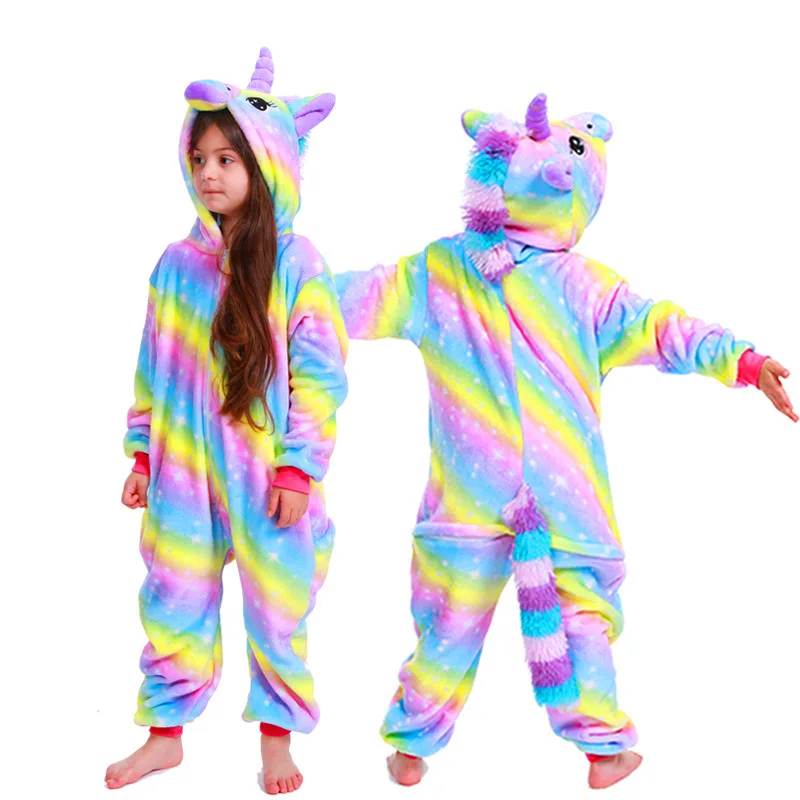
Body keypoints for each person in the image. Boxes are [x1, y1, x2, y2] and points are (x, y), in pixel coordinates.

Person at [334, 93, 795, 790]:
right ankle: (585, 747)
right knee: (537, 620)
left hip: (493, 496)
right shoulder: (477, 277)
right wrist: (744, 361)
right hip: (546, 498)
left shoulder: (497, 278)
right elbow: (665, 329)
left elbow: (343, 299)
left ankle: (422, 746)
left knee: (478, 621)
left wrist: (743, 359)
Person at [105, 47, 348, 795]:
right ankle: (165, 737)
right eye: (200, 158)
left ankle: (276, 740)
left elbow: (320, 379)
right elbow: (151, 367)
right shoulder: (176, 265)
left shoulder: (296, 263)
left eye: (228, 159)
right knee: (172, 597)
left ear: (267, 165)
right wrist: (142, 454)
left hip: (266, 472)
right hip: (181, 471)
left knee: (278, 605)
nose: (209, 173)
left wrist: (299, 468)